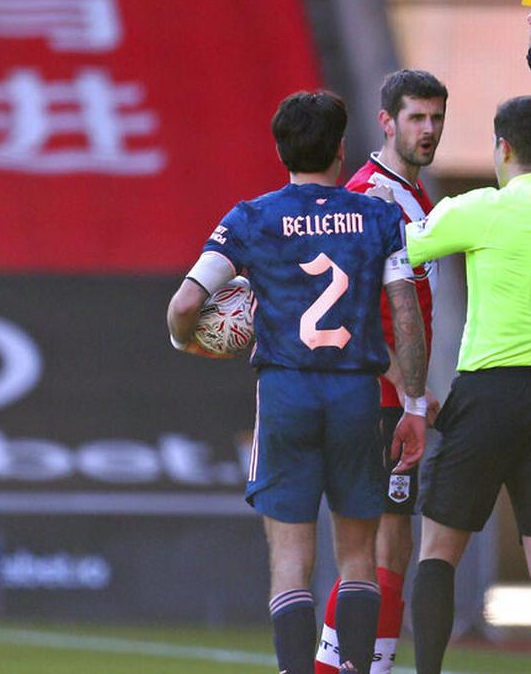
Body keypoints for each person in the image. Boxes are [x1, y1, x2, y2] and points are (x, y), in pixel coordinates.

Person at [166, 90, 429, 674]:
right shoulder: (379, 216)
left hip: (286, 395)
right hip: (357, 397)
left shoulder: (251, 218)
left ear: (280, 150)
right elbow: (405, 315)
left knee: (291, 559)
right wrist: (412, 402)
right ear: (340, 150)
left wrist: (186, 339)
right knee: (358, 556)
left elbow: (186, 303)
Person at [407, 2, 531, 674]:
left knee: (438, 550)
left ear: (502, 149)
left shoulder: (477, 211)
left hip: (487, 395)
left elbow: (396, 253)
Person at [316, 69, 448, 674]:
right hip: (375, 396)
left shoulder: (411, 195)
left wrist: (420, 392)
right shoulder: (374, 196)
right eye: (417, 118)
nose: (429, 130)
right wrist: (406, 393)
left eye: (437, 118)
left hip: (391, 393)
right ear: (387, 122)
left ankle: (371, 664)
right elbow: (362, 314)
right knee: (375, 547)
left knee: (389, 543)